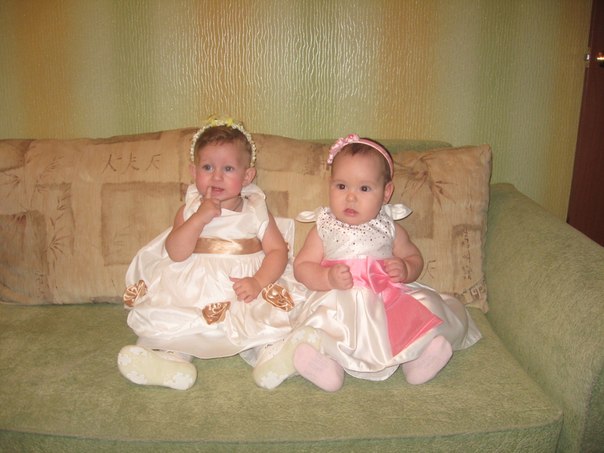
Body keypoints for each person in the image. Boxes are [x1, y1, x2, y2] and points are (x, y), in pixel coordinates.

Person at [252, 134, 481, 392]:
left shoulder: (389, 227)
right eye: (341, 186)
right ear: (330, 186)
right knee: (324, 329)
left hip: (387, 299)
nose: (351, 197)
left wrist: (406, 269)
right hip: (337, 299)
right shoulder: (324, 227)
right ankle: (326, 366)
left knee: (416, 322)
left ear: (386, 193)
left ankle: (417, 360)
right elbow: (302, 266)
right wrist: (326, 277)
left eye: (364, 189)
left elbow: (414, 257)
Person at [117, 116, 302, 390]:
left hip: (243, 286)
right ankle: (170, 361)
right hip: (193, 287)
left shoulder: (256, 210)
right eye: (207, 167)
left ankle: (270, 358)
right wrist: (199, 219)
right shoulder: (190, 209)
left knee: (263, 320)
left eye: (228, 168)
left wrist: (259, 282)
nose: (216, 176)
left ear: (247, 176)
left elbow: (277, 251)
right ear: (193, 172)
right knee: (175, 322)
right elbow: (175, 252)